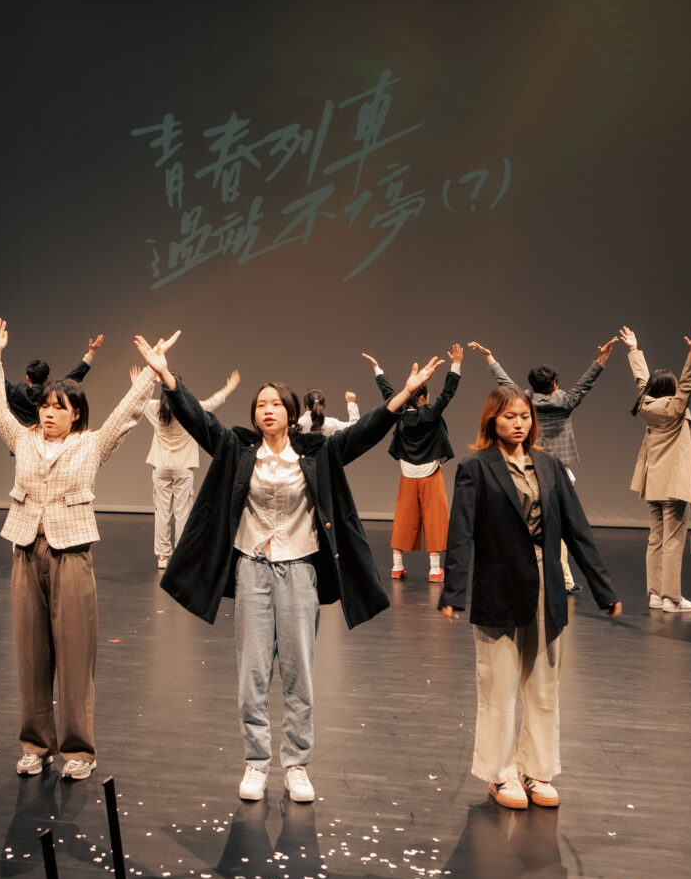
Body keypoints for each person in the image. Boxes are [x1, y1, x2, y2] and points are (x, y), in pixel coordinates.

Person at [147, 333, 430, 804]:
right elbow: (199, 420)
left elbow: (364, 432)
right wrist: (166, 377)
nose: (267, 410)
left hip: (299, 571)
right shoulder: (238, 448)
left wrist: (403, 394)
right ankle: (256, 763)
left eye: (276, 403)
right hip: (252, 570)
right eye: (261, 404)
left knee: (299, 673)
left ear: (291, 411)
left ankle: (296, 764)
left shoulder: (317, 452)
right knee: (253, 673)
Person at [0, 317, 167, 780]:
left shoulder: (91, 445)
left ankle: (79, 751)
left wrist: (151, 373)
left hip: (72, 555)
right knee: (31, 654)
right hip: (27, 550)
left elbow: (125, 414)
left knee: (75, 653)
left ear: (76, 414)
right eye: (45, 406)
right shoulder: (23, 439)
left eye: (58, 408)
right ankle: (35, 746)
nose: (48, 413)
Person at [440, 384, 621, 808]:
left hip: (547, 581)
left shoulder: (550, 466)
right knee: (499, 686)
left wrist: (603, 588)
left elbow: (577, 530)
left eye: (524, 416)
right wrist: (454, 591)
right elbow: (461, 533)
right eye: (509, 417)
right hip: (498, 585)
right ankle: (501, 774)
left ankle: (536, 771)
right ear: (492, 420)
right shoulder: (475, 467)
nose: (518, 424)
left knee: (543, 684)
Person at [623, 326, 691, 612]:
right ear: (671, 389)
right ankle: (671, 598)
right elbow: (689, 384)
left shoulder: (646, 405)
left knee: (656, 539)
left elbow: (641, 381)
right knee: (672, 542)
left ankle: (655, 594)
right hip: (673, 485)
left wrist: (634, 350)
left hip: (653, 484)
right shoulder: (674, 407)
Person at [369, 344, 462, 583]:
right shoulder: (430, 413)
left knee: (404, 517)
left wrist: (378, 370)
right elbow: (448, 393)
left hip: (408, 473)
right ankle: (434, 570)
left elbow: (388, 393)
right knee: (435, 517)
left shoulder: (400, 413)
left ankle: (397, 566)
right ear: (422, 398)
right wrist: (456, 365)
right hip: (431, 473)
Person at [474, 335, 615, 480]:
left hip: (532, 461)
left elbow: (505, 382)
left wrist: (489, 358)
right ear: (554, 382)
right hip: (558, 465)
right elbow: (586, 382)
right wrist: (602, 358)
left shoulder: (525, 401)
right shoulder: (566, 402)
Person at [144, 369, 242, 569]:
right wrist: (229, 387)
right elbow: (213, 402)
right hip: (183, 467)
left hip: (161, 466)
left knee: (162, 512)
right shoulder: (191, 408)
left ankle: (163, 556)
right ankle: (181, 554)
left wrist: (143, 382)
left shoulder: (155, 408)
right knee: (182, 512)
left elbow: (140, 401)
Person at [0, 334, 102, 428]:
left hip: (23, 446)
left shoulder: (16, 393)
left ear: (27, 378)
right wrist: (91, 352)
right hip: (50, 442)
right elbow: (75, 376)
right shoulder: (54, 393)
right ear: (47, 378)